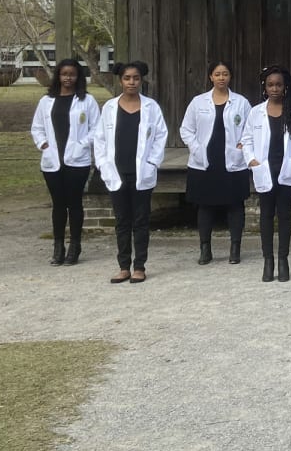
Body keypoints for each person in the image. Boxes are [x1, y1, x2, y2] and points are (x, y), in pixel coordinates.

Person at [93, 60, 168, 284]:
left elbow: (160, 136)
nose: (132, 82)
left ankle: (140, 266)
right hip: (116, 171)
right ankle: (123, 266)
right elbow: (99, 139)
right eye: (127, 78)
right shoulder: (109, 107)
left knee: (141, 220)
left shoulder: (151, 107)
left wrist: (152, 163)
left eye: (135, 78)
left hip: (142, 172)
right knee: (122, 220)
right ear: (120, 81)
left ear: (141, 80)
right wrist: (103, 164)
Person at [241, 66, 291, 283]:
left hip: (285, 169)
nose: (274, 88)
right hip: (264, 169)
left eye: (278, 84)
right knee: (266, 216)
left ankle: (283, 259)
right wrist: (252, 161)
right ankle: (268, 260)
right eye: (270, 85)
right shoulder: (256, 112)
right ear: (264, 87)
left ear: (285, 86)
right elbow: (247, 139)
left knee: (285, 216)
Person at [180, 61, 253, 265]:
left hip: (232, 161)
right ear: (210, 77)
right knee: (205, 206)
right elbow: (186, 129)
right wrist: (195, 148)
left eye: (225, 74)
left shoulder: (241, 102)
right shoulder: (198, 102)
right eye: (217, 74)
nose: (221, 77)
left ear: (230, 77)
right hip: (205, 160)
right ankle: (205, 249)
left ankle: (235, 248)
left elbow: (250, 129)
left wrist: (241, 149)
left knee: (235, 205)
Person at [30, 58, 101, 267]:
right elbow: (37, 127)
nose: (68, 78)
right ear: (58, 76)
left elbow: (97, 129)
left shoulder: (86, 100)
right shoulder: (46, 101)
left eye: (72, 74)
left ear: (78, 76)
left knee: (75, 204)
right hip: (52, 161)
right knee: (58, 205)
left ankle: (75, 245)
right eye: (64, 74)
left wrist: (81, 145)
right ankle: (58, 246)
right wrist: (43, 144)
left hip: (77, 161)